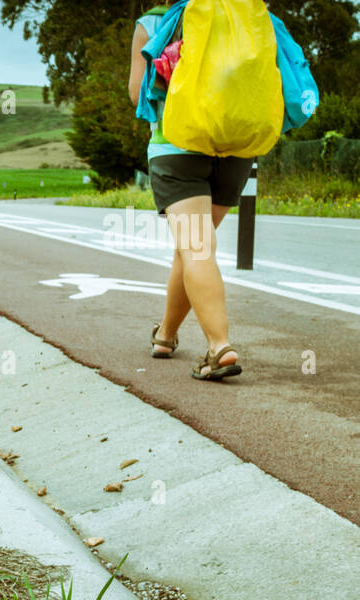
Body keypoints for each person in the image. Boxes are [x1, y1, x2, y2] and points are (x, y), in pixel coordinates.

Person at [128, 1, 251, 380]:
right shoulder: (245, 14)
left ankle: (219, 347)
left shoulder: (153, 23)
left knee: (195, 247)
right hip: (236, 147)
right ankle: (165, 335)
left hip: (177, 147)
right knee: (194, 246)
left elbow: (137, 95)